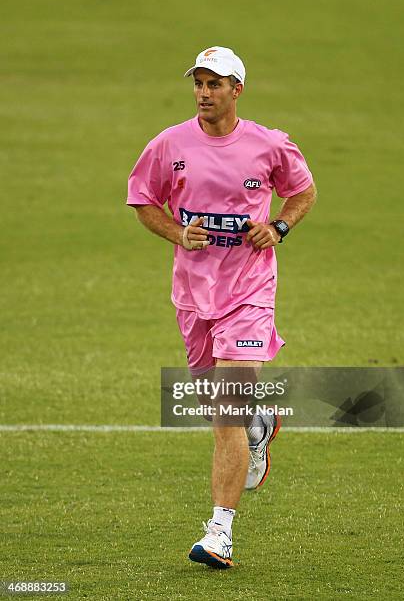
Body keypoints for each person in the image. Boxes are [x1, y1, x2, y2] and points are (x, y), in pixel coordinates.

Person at [127, 46, 317, 569]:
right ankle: (261, 424)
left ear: (238, 89)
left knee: (226, 411)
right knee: (224, 411)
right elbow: (143, 198)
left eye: (216, 83)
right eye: (199, 83)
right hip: (193, 296)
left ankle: (219, 533)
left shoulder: (269, 144)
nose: (205, 92)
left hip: (250, 291)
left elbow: (303, 192)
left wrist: (277, 226)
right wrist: (175, 232)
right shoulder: (170, 144)